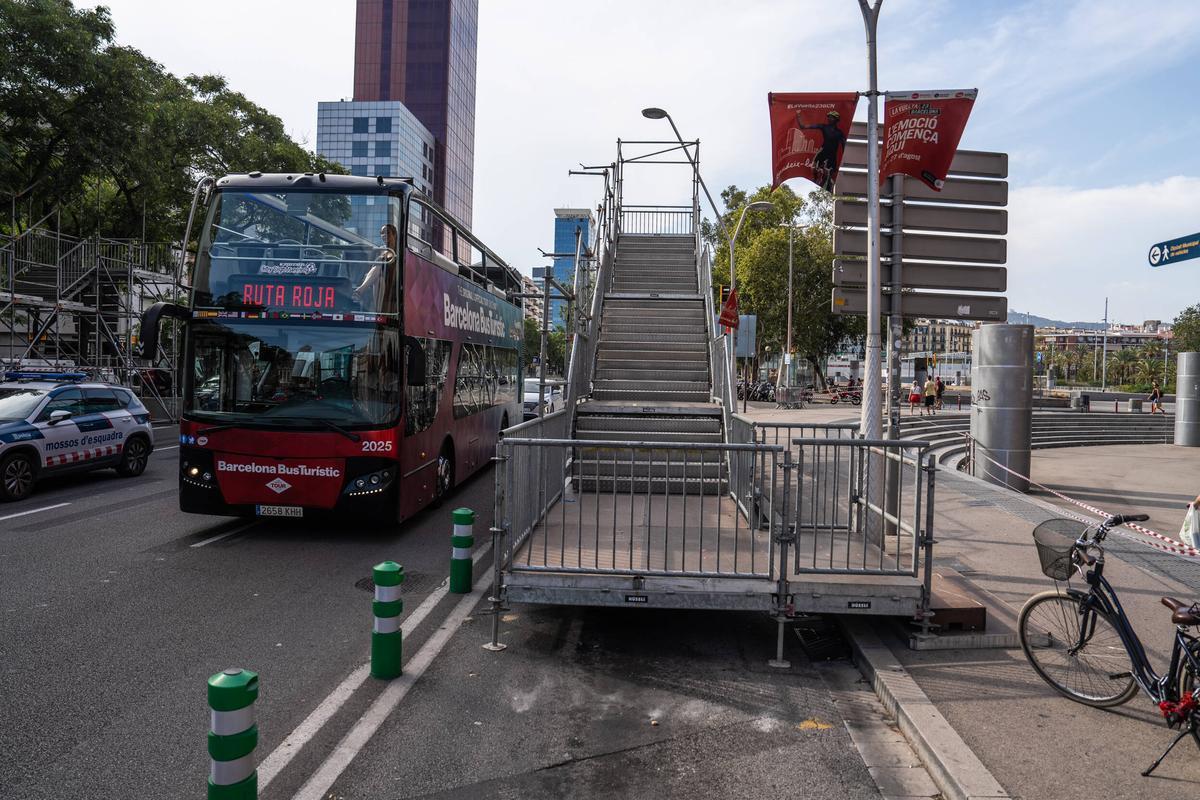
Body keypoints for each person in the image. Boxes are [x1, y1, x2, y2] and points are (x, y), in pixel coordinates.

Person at [798, 110, 848, 191]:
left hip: (831, 156)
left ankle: (825, 188)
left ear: (836, 120)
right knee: (814, 167)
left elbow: (844, 146)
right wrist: (798, 116)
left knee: (827, 176)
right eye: (829, 117)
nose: (829, 119)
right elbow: (803, 126)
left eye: (832, 117)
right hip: (822, 153)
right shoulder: (824, 127)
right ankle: (815, 181)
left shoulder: (839, 133)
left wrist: (845, 161)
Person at [354, 223, 398, 306]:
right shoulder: (378, 250)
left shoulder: (399, 249)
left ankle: (360, 290)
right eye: (382, 233)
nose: (384, 235)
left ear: (394, 234)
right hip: (378, 277)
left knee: (379, 267)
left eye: (387, 232)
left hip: (392, 278)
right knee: (378, 279)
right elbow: (370, 266)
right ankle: (378, 313)